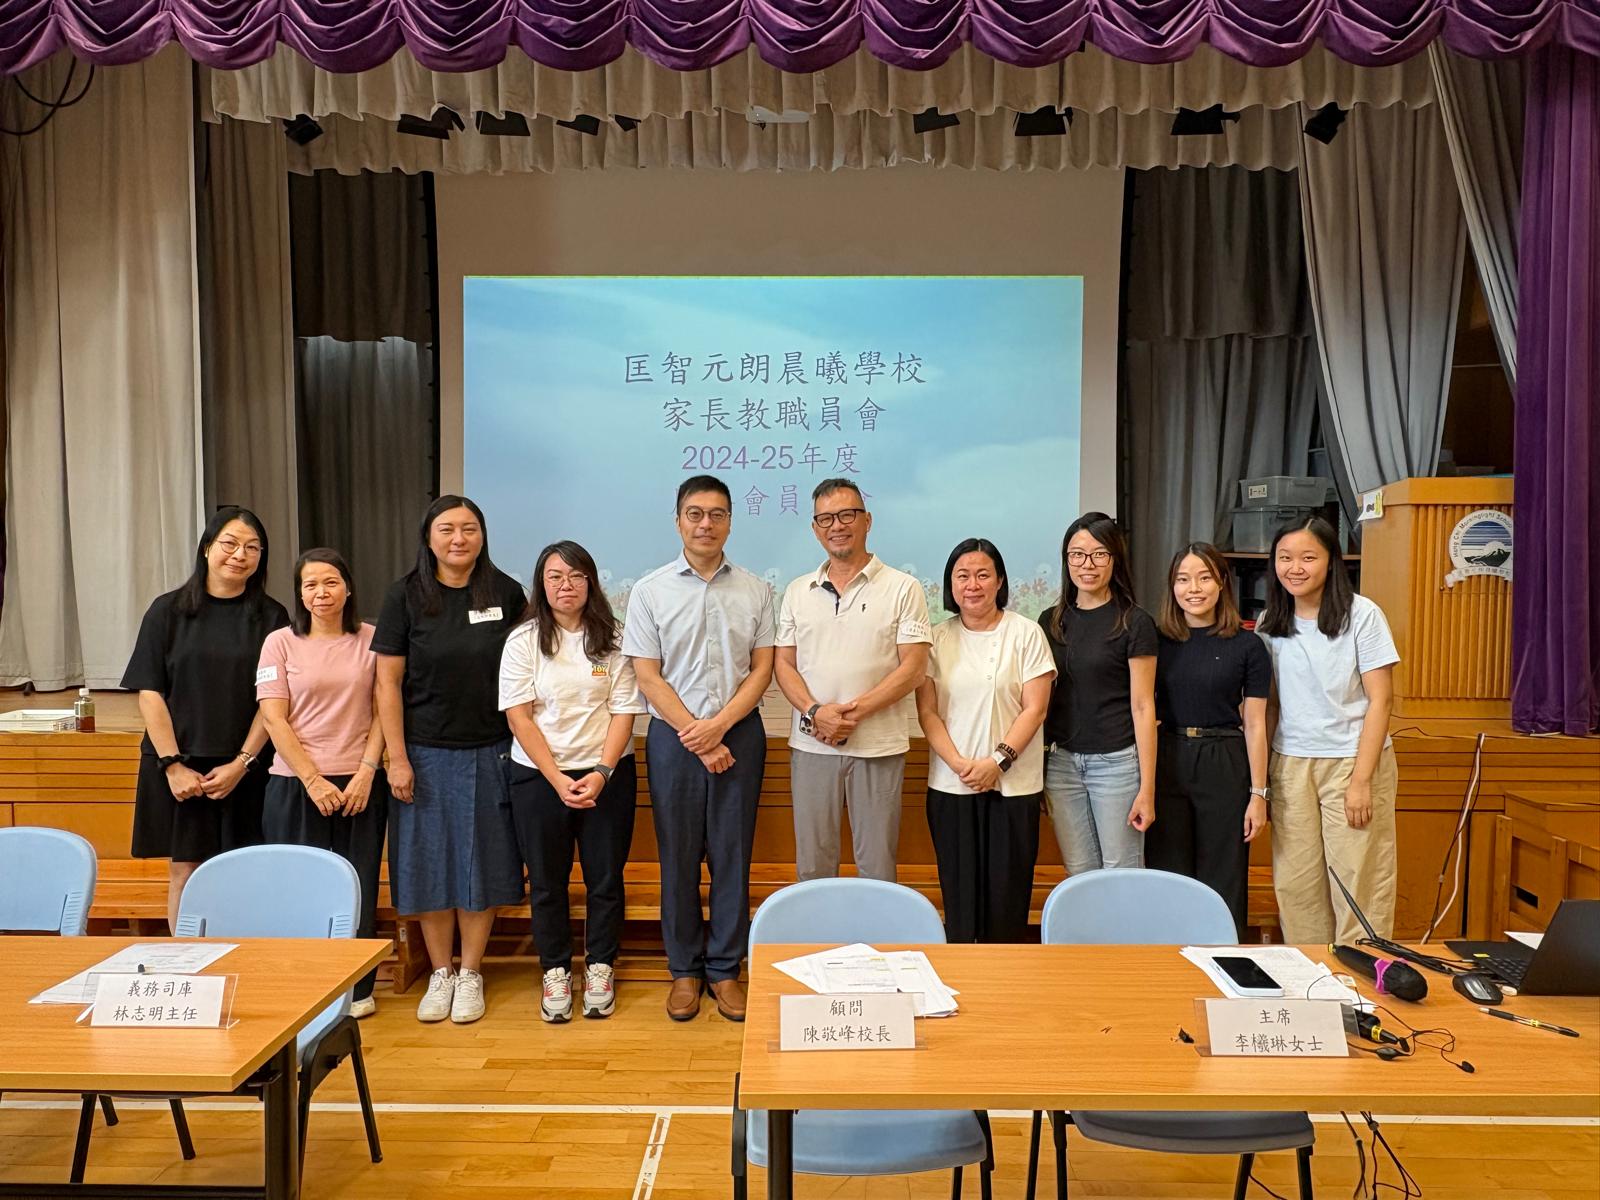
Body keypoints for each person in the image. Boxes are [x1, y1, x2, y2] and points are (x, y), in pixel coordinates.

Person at [373, 495, 528, 1025]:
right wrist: (396, 757)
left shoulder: (505, 592)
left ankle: (472, 971)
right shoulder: (404, 595)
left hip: (492, 750)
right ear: (429, 536)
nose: (458, 538)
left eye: (469, 528)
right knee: (431, 865)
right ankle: (441, 971)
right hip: (423, 753)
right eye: (447, 529)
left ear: (482, 535)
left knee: (479, 864)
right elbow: (387, 683)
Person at [625, 476, 774, 1022]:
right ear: (678, 520)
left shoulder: (756, 589)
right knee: (679, 857)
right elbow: (647, 674)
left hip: (739, 733)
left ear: (730, 521)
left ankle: (726, 970)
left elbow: (762, 669)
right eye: (695, 513)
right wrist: (696, 733)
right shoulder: (649, 590)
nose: (705, 524)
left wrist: (720, 727)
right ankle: (685, 970)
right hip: (674, 737)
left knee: (733, 856)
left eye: (716, 514)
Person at [122, 506, 291, 929]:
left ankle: (247, 960)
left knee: (249, 870)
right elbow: (150, 693)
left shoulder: (272, 617)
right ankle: (188, 960)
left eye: (252, 548)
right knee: (186, 871)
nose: (240, 555)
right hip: (181, 767)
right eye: (230, 544)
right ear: (206, 548)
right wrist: (172, 765)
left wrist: (242, 763)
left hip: (247, 765)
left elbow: (271, 701)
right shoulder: (167, 611)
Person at [500, 541, 645, 1024]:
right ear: (541, 584)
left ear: (591, 583)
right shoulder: (523, 640)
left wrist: (601, 772)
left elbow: (623, 710)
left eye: (577, 576)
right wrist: (556, 778)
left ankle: (600, 966)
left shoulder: (614, 638)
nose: (567, 585)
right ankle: (556, 970)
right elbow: (520, 717)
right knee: (547, 882)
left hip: (608, 776)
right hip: (539, 777)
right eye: (556, 576)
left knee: (605, 879)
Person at [775, 478, 932, 884]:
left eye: (847, 515)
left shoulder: (903, 587)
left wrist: (849, 715)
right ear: (815, 529)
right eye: (826, 519)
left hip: (878, 748)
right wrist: (816, 713)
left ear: (867, 520)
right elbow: (784, 665)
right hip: (811, 746)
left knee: (877, 866)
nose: (837, 526)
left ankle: (877, 931)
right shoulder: (797, 591)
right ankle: (816, 929)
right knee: (813, 866)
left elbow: (913, 669)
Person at [257, 548, 388, 1016]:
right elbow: (273, 718)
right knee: (298, 887)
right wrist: (312, 780)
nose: (321, 592)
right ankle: (304, 986)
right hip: (295, 783)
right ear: (299, 593)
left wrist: (367, 771)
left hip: (360, 784)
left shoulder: (373, 639)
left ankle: (358, 988)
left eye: (330, 582)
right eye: (310, 584)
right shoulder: (279, 643)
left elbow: (383, 712)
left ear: (348, 588)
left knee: (358, 885)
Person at [1258, 516, 1399, 945]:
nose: (1294, 568)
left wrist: (1361, 781)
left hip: (1351, 761)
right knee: (1296, 885)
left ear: (1331, 561)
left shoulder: (1363, 614)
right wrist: (1262, 782)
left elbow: (1381, 701)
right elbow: (1271, 707)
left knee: (1358, 881)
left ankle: (1363, 975)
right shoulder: (1269, 621)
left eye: (1308, 557)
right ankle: (1311, 973)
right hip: (1291, 763)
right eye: (1285, 558)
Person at [915, 539, 1055, 943]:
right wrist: (960, 764)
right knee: (960, 903)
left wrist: (997, 762)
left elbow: (1035, 709)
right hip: (951, 784)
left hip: (1013, 787)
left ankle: (1006, 978)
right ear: (950, 584)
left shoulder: (1026, 633)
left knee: (1007, 902)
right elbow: (928, 713)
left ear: (1000, 581)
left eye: (982, 575)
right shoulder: (936, 639)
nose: (972, 585)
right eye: (962, 576)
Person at [1147, 543, 1271, 937]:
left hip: (1224, 761)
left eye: (1204, 578)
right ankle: (1167, 961)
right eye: (1183, 579)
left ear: (1222, 583)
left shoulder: (1248, 645)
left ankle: (1224, 957)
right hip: (1168, 758)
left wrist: (1258, 794)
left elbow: (1255, 723)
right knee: (1169, 873)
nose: (1194, 588)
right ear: (1172, 587)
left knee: (1224, 874)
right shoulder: (1155, 642)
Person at [1039, 512, 1158, 873]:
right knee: (1079, 872)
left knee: (1121, 872)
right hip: (1061, 765)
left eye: (1099, 554)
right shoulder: (1050, 621)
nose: (1087, 564)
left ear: (1115, 558)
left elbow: (1143, 706)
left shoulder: (1134, 622)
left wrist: (1147, 789)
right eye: (1077, 554)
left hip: (1117, 764)